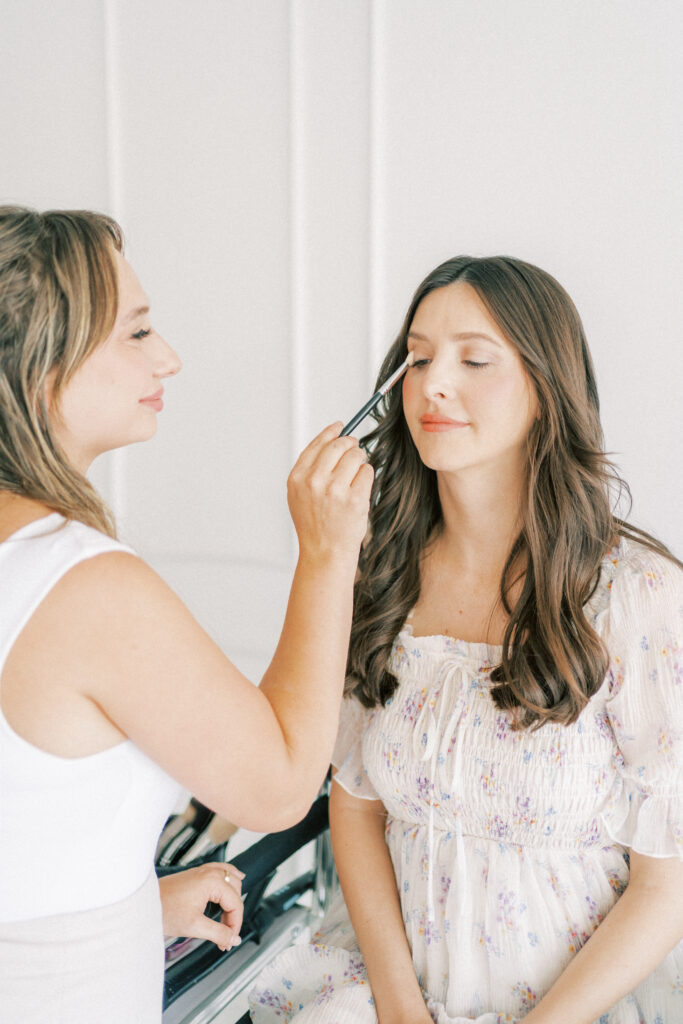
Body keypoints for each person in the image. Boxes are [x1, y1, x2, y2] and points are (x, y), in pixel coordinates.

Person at [249, 255, 683, 1023]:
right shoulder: (373, 570)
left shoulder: (634, 594)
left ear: (548, 392)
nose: (431, 384)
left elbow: (667, 876)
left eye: (473, 358)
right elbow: (354, 808)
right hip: (390, 989)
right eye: (416, 358)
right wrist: (400, 1009)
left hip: (573, 1003)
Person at [0, 205, 373, 1022]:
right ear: (39, 367)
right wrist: (324, 555)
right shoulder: (84, 589)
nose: (166, 357)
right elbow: (276, 787)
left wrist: (125, 911)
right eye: (136, 334)